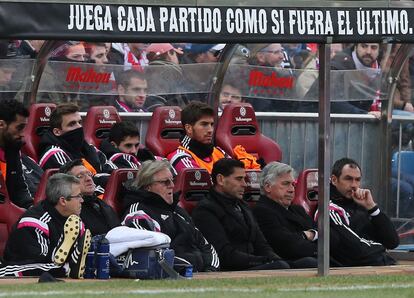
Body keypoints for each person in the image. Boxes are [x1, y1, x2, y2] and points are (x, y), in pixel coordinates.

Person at [121, 159, 219, 272]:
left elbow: (206, 246)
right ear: (148, 187)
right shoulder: (138, 213)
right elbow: (153, 254)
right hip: (171, 276)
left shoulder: (179, 211)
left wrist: (211, 270)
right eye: (165, 182)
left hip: (197, 273)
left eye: (172, 180)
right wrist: (188, 268)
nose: (172, 186)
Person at [192, 158, 290, 271]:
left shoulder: (243, 206)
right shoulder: (205, 210)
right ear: (220, 179)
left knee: (305, 262)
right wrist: (263, 261)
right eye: (239, 179)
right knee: (280, 266)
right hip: (230, 269)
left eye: (244, 179)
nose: (244, 184)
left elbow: (261, 244)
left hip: (254, 263)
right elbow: (224, 254)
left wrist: (275, 259)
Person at [1, 173, 91, 278]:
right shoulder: (34, 222)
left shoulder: (74, 220)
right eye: (78, 196)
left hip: (48, 265)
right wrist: (65, 267)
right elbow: (36, 261)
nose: (82, 200)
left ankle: (68, 267)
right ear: (63, 201)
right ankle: (67, 269)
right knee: (37, 269)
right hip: (17, 267)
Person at [324, 157, 400, 266]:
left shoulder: (361, 204)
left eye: (357, 180)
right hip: (351, 269)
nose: (354, 185)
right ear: (334, 180)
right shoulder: (329, 208)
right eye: (348, 179)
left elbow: (392, 242)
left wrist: (372, 208)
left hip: (377, 262)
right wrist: (381, 248)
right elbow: (356, 249)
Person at [252, 162, 318, 267]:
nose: (292, 190)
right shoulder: (261, 211)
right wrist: (309, 237)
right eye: (285, 184)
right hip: (288, 266)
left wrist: (310, 235)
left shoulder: (298, 210)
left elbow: (329, 237)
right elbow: (288, 246)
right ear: (268, 187)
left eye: (293, 184)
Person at [37, 103, 115, 176]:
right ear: (57, 132)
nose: (79, 127)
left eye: (80, 122)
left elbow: (114, 173)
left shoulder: (89, 148)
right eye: (72, 124)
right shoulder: (54, 154)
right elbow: (74, 183)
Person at [60, 159, 120, 236]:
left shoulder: (101, 204)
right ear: (67, 183)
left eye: (89, 174)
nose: (88, 179)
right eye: (80, 176)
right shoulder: (70, 211)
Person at [167, 101, 228, 174]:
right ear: (189, 128)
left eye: (211, 124)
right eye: (204, 124)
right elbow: (202, 184)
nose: (210, 130)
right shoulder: (180, 157)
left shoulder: (219, 152)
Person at [0, 99, 33, 208]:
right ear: (1, 124)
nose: (23, 135)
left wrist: (32, 209)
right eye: (19, 128)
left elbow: (19, 189)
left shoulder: (13, 147)